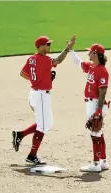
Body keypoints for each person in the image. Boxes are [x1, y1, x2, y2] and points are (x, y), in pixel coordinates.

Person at [12, 35, 76, 165]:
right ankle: (32, 155)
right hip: (40, 96)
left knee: (48, 122)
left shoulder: (31, 59)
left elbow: (23, 74)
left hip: (35, 94)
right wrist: (68, 48)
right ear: (40, 47)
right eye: (47, 44)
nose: (49, 46)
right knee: (42, 126)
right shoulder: (44, 59)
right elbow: (58, 60)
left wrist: (39, 79)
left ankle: (20, 135)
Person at [69, 39, 110, 172]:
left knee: (95, 133)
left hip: (95, 104)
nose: (88, 54)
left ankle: (96, 164)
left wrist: (98, 110)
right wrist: (70, 50)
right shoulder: (92, 67)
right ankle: (103, 161)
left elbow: (103, 91)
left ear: (96, 54)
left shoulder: (102, 71)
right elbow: (78, 62)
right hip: (92, 103)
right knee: (99, 132)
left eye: (90, 52)